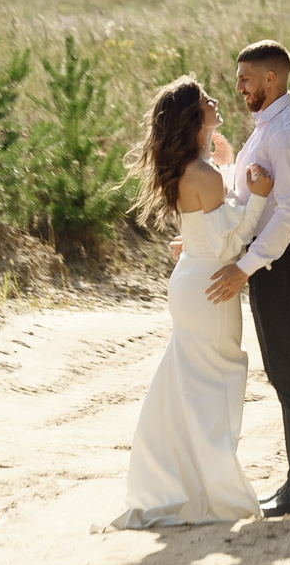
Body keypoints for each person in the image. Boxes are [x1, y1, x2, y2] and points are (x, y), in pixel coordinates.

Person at [113, 76, 276, 529]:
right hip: (211, 286)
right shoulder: (202, 174)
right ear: (192, 116)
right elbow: (233, 240)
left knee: (192, 383)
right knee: (215, 385)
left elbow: (211, 224)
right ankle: (214, 490)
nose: (215, 101)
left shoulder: (195, 169)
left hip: (192, 281)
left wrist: (225, 162)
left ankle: (185, 484)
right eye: (206, 100)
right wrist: (260, 199)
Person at [204, 38, 290, 517]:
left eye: (245, 79)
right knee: (283, 371)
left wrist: (245, 267)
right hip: (275, 257)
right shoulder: (269, 126)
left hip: (285, 258)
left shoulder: (287, 132)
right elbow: (258, 195)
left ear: (270, 79)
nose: (239, 87)